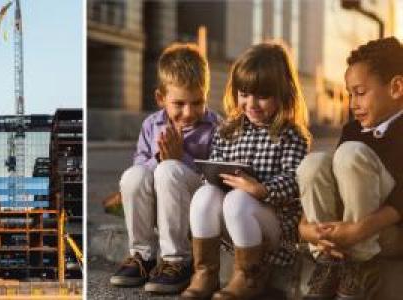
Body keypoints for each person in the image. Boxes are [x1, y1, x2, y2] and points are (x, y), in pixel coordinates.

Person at [182, 42, 311, 300]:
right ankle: (205, 273)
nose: (250, 103)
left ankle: (249, 276)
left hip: (273, 227)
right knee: (204, 195)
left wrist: (261, 189)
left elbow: (295, 181)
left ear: (282, 93)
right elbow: (215, 168)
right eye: (243, 93)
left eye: (261, 96)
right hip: (234, 227)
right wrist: (213, 178)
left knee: (239, 199)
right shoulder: (227, 131)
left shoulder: (291, 136)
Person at [109, 43, 220, 294]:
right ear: (161, 98)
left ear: (206, 95)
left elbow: (215, 179)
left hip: (195, 202)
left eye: (197, 102)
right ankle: (142, 256)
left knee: (169, 169)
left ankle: (176, 260)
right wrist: (160, 158)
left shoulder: (215, 128)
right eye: (179, 103)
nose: (188, 112)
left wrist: (180, 158)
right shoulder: (151, 125)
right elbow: (141, 167)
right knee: (133, 176)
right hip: (160, 200)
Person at [297, 37, 403, 300]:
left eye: (360, 92)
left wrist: (359, 231)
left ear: (396, 87)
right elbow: (331, 179)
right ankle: (329, 261)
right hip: (346, 230)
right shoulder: (352, 129)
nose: (352, 103)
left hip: (386, 233)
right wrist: (305, 228)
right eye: (349, 94)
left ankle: (361, 267)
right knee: (315, 162)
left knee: (349, 154)